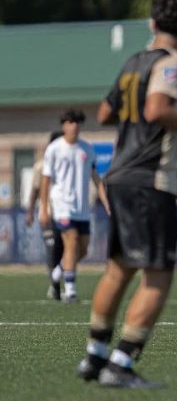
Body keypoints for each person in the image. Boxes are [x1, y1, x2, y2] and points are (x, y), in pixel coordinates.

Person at [77, 0, 177, 389]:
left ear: (152, 24)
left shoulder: (132, 62)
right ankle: (121, 364)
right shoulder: (170, 62)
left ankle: (95, 356)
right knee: (158, 274)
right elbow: (157, 110)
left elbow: (106, 112)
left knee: (119, 268)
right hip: (149, 179)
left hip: (120, 174)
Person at [39, 109, 110, 303]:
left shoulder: (87, 149)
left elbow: (97, 179)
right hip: (62, 205)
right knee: (71, 241)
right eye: (70, 122)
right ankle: (70, 290)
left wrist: (107, 204)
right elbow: (45, 181)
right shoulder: (54, 149)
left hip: (82, 208)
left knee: (83, 249)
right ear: (64, 125)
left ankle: (58, 271)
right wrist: (44, 209)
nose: (74, 126)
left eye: (77, 122)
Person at [26, 131, 64, 300]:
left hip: (65, 214)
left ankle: (64, 282)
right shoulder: (41, 166)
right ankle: (54, 285)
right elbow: (34, 190)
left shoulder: (67, 164)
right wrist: (31, 212)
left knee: (65, 250)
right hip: (48, 214)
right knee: (51, 249)